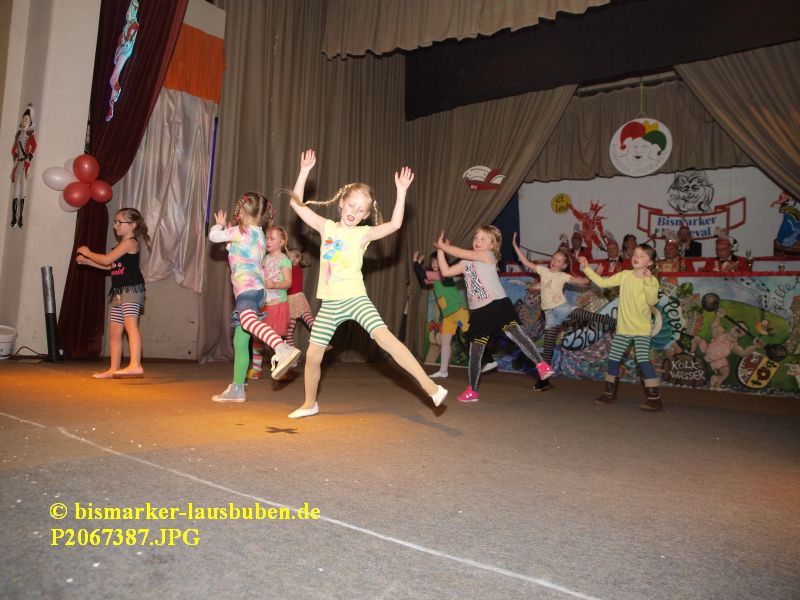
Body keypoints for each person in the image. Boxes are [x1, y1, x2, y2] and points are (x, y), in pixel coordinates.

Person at [285, 149, 446, 418]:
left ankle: (431, 387)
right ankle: (310, 403)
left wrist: (401, 191)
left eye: (361, 210)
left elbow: (395, 224)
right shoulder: (327, 227)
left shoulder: (363, 234)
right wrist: (304, 171)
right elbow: (296, 205)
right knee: (313, 356)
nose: (354, 212)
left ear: (366, 215)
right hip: (330, 304)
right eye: (351, 206)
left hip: (356, 299)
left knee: (386, 339)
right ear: (341, 204)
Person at [435, 227, 553, 402]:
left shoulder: (488, 256)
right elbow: (445, 272)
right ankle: (472, 390)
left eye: (483, 238)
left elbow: (460, 252)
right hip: (478, 313)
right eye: (476, 238)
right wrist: (440, 250)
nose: (478, 241)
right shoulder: (465, 262)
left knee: (515, 335)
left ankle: (541, 365)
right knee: (475, 352)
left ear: (492, 245)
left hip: (496, 305)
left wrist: (444, 246)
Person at [208, 193, 301, 402]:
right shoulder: (259, 235)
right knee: (240, 340)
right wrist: (230, 242)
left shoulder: (239, 232)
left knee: (248, 322)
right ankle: (237, 388)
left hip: (247, 290)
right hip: (259, 292)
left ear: (241, 212)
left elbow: (213, 237)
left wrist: (219, 226)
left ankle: (281, 348)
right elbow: (242, 252)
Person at [512, 233, 616, 390]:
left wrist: (596, 274)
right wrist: (515, 245)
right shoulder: (543, 271)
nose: (555, 262)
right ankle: (544, 382)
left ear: (564, 265)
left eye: (559, 261)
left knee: (589, 316)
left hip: (562, 308)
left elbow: (583, 282)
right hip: (550, 316)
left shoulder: (563, 276)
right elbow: (525, 262)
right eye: (554, 259)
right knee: (547, 349)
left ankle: (616, 322)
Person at [578, 244, 663, 411]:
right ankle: (609, 393)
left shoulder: (652, 280)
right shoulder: (624, 275)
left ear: (650, 262)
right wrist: (586, 268)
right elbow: (603, 283)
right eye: (635, 253)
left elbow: (652, 301)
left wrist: (647, 281)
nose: (636, 257)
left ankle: (655, 398)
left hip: (641, 329)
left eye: (642, 255)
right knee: (614, 358)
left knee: (643, 360)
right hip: (624, 328)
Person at [76, 207, 150, 379]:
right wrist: (88, 262)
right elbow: (111, 266)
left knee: (130, 325)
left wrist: (88, 253)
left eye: (119, 222)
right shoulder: (120, 245)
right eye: (115, 222)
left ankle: (135, 364)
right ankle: (113, 368)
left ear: (132, 225)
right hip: (118, 291)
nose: (115, 225)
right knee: (115, 330)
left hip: (131, 289)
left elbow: (107, 259)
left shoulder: (130, 243)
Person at [248, 226, 293, 380]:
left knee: (276, 339)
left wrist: (274, 284)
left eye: (272, 238)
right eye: (267, 238)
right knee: (257, 337)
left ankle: (284, 368)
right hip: (263, 304)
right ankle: (256, 369)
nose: (268, 241)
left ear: (282, 242)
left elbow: (288, 283)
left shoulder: (284, 260)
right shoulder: (264, 258)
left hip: (277, 304)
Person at [691, 309, 763, 389]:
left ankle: (717, 380)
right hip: (707, 349)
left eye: (743, 330)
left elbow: (744, 353)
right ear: (733, 326)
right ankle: (691, 354)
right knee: (696, 338)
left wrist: (755, 346)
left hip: (718, 360)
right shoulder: (721, 333)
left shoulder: (734, 345)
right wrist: (718, 316)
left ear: (743, 335)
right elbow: (713, 326)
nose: (740, 329)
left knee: (725, 372)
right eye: (739, 326)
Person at [284, 248, 318, 349]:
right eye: (287, 257)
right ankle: (292, 354)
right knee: (288, 332)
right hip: (289, 301)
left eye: (289, 257)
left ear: (297, 259)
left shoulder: (294, 269)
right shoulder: (292, 269)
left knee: (309, 320)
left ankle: (323, 341)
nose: (287, 259)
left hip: (297, 298)